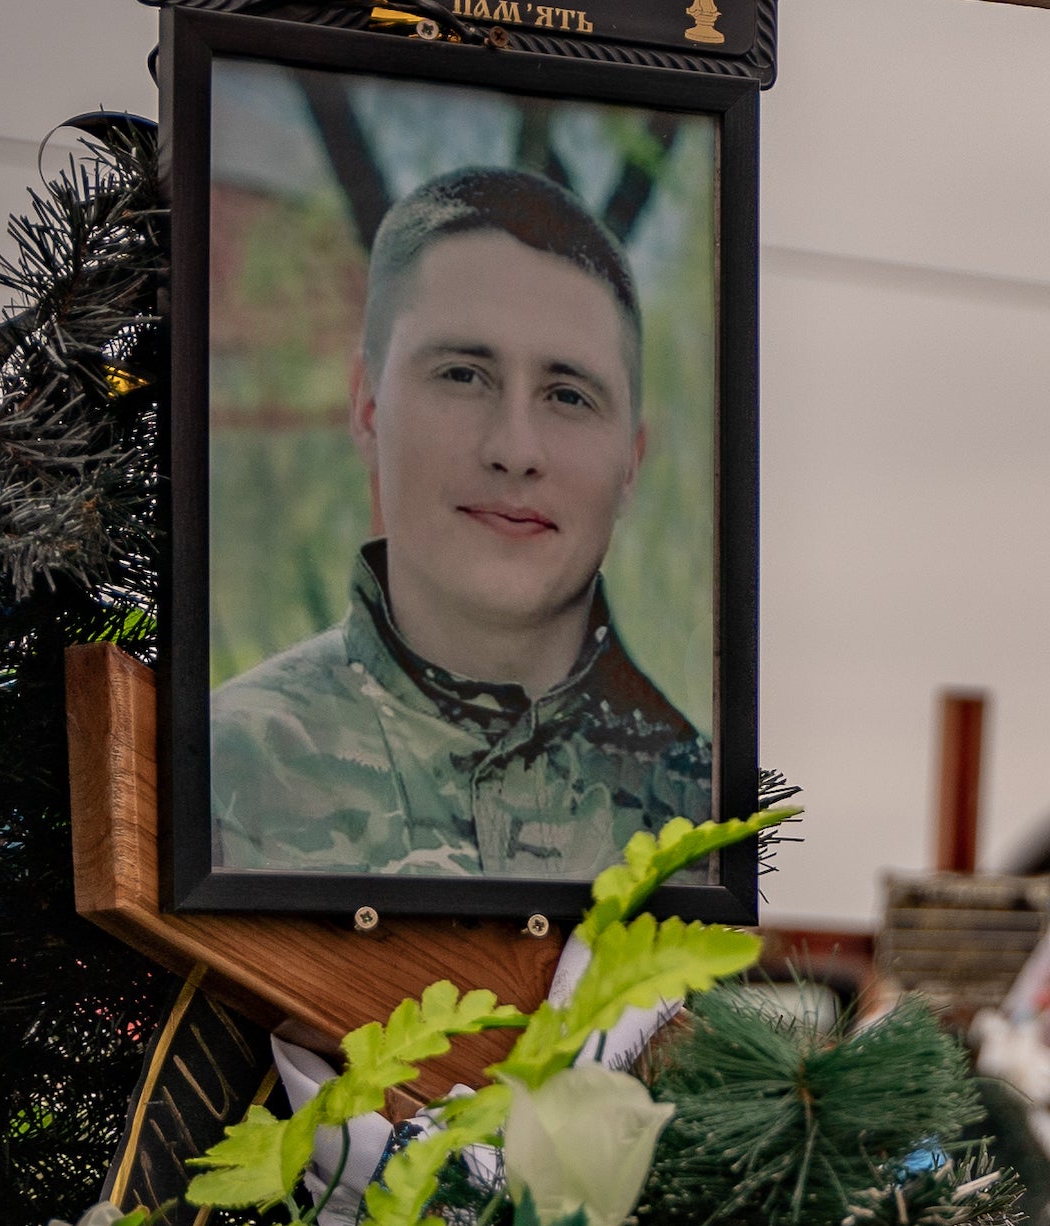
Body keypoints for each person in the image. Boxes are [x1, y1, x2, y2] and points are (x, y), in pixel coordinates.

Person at [213, 165, 715, 884]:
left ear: (632, 461)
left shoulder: (696, 815)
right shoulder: (231, 770)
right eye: (461, 375)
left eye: (568, 396)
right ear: (368, 408)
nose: (514, 450)